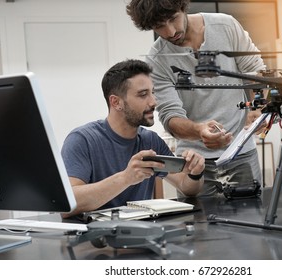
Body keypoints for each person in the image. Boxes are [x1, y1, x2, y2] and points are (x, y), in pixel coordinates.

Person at [126, 0, 266, 196]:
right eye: (159, 27)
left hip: (240, 151)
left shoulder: (226, 26)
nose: (170, 31)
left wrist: (257, 108)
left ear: (183, 7)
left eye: (173, 19)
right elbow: (170, 116)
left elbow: (254, 69)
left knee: (251, 217)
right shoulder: (156, 60)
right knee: (198, 223)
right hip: (193, 162)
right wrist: (199, 130)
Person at [61, 59, 205, 217]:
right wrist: (126, 178)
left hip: (140, 234)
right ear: (116, 102)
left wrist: (195, 172)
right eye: (143, 95)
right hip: (93, 239)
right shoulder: (82, 140)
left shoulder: (150, 140)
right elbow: (67, 205)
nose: (153, 102)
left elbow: (187, 188)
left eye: (153, 93)